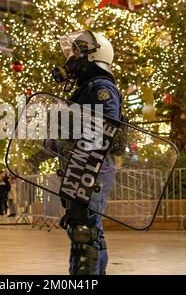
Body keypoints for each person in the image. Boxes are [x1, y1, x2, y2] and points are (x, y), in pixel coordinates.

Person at [29, 31, 120, 275]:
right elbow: (67, 135)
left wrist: (69, 126)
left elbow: (105, 128)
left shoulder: (102, 88)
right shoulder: (85, 89)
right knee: (86, 229)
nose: (72, 57)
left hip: (93, 169)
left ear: (95, 54)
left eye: (78, 51)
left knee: (84, 231)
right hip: (80, 167)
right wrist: (38, 156)